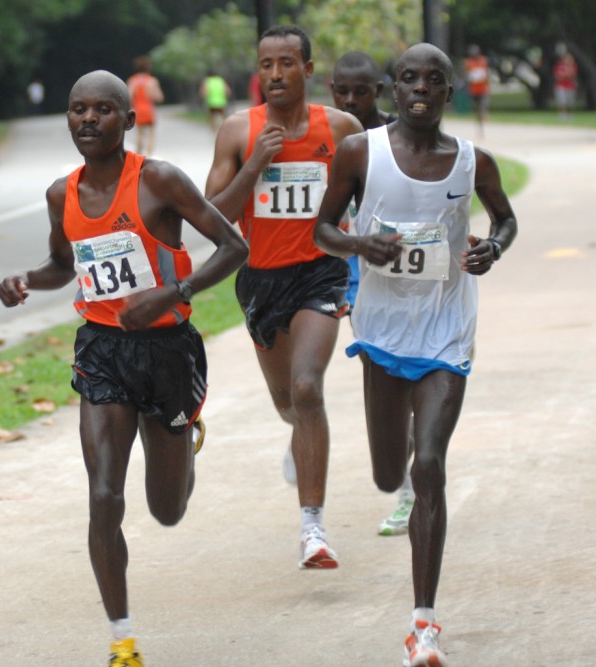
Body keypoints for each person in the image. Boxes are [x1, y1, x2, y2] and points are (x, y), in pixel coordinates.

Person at [0, 70, 246, 667]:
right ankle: (123, 642)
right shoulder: (63, 193)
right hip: (103, 350)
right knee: (104, 495)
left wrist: (173, 291)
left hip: (168, 351)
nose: (88, 120)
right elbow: (65, 265)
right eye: (77, 109)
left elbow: (233, 245)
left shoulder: (158, 180)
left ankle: (184, 437)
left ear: (128, 120)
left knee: (167, 509)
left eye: (103, 110)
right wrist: (27, 280)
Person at [313, 42, 518, 666]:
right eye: (409, 79)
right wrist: (357, 244)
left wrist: (493, 249)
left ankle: (422, 624)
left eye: (434, 79)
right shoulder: (359, 153)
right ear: (393, 90)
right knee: (386, 470)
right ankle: (390, 469)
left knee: (428, 464)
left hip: (446, 328)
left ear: (449, 91)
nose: (421, 87)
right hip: (380, 330)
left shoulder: (472, 163)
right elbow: (321, 228)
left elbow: (505, 221)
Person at [204, 24, 363, 569]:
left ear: (308, 70)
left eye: (287, 63)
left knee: (307, 387)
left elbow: (372, 197)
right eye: (266, 64)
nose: (275, 74)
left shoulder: (341, 128)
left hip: (320, 273)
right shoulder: (236, 130)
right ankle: (301, 437)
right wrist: (254, 165)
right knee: (287, 405)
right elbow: (212, 216)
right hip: (260, 279)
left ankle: (312, 529)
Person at [330, 51, 415, 538]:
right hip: (358, 275)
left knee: (412, 374)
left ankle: (414, 475)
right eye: (341, 90)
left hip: (414, 275)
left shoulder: (398, 136)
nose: (350, 100)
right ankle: (406, 488)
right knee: (381, 375)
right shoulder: (330, 140)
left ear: (378, 91)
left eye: (360, 91)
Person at [126, 56, 164, 155]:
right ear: (148, 68)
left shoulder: (133, 80)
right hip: (148, 110)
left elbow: (129, 96)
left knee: (140, 134)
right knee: (151, 135)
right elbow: (159, 97)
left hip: (137, 110)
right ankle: (149, 156)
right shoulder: (152, 81)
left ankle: (138, 155)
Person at [464, 45, 489, 136]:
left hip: (483, 89)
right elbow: (467, 76)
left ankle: (483, 116)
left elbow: (486, 74)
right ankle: (479, 125)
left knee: (482, 106)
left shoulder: (484, 61)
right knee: (476, 109)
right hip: (473, 90)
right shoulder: (468, 63)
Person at [553, 50, 578, 121]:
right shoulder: (559, 66)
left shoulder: (573, 66)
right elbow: (558, 76)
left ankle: (570, 115)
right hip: (561, 86)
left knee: (570, 102)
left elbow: (572, 75)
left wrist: (564, 75)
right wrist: (566, 75)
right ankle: (562, 115)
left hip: (570, 87)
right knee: (562, 101)